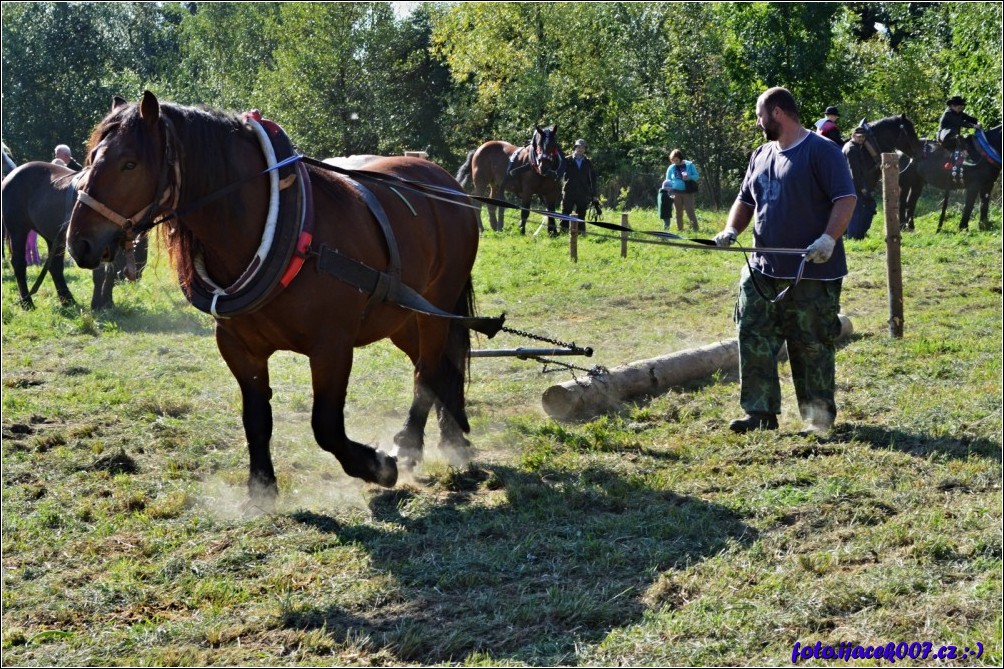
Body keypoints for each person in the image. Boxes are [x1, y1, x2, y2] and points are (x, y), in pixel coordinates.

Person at [713, 87, 856, 433]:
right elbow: (745, 200)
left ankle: (817, 419)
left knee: (810, 344)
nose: (758, 122)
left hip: (813, 271)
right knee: (753, 333)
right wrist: (732, 229)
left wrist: (828, 239)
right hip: (764, 268)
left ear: (777, 113)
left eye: (760, 115)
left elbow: (846, 199)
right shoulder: (761, 154)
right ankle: (760, 413)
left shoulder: (823, 152)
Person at [843, 127, 878, 240]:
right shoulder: (852, 149)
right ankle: (854, 236)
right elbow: (854, 171)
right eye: (859, 137)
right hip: (853, 185)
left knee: (863, 208)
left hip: (853, 184)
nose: (861, 139)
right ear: (853, 135)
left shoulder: (855, 147)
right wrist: (861, 187)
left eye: (863, 137)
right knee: (857, 211)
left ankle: (856, 234)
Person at [559, 138, 598, 234]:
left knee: (582, 214)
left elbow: (592, 179)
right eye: (578, 147)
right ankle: (563, 232)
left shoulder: (588, 162)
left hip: (583, 192)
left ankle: (581, 233)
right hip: (569, 191)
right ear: (575, 148)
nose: (580, 149)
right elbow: (559, 174)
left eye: (582, 148)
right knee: (565, 213)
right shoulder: (567, 160)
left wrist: (594, 195)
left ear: (585, 149)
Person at [937, 96, 980, 175]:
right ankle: (966, 157)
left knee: (966, 139)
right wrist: (973, 126)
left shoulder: (959, 112)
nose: (961, 109)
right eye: (959, 107)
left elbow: (970, 118)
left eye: (962, 107)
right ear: (952, 106)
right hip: (944, 137)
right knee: (959, 138)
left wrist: (977, 122)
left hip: (954, 137)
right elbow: (960, 122)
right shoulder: (948, 114)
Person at [664, 149, 700, 231]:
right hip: (675, 192)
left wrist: (689, 177)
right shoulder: (671, 168)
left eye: (676, 160)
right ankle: (680, 229)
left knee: (690, 210)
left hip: (688, 192)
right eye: (673, 160)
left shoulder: (689, 165)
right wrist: (668, 191)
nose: (675, 162)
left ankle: (695, 228)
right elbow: (667, 180)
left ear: (680, 158)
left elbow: (696, 176)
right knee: (678, 212)